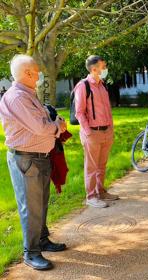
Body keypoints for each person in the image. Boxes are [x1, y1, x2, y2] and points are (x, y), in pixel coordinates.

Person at [0, 55, 67, 270]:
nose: (39, 74)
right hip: (26, 159)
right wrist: (58, 127)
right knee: (31, 206)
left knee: (41, 203)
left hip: (39, 157)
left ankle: (42, 240)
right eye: (36, 71)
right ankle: (31, 252)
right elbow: (40, 127)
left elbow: (43, 120)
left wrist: (53, 123)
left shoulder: (28, 95)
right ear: (27, 73)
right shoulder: (17, 97)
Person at [74, 55, 119, 208]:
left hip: (106, 132)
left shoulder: (103, 85)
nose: (105, 69)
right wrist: (88, 132)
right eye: (103, 67)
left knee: (101, 164)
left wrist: (111, 129)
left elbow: (108, 110)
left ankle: (101, 191)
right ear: (94, 69)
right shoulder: (83, 86)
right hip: (92, 133)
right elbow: (79, 112)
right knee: (92, 166)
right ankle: (91, 196)